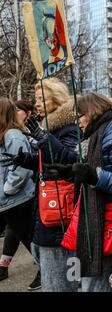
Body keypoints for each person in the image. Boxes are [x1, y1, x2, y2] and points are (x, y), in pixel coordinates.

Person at [1, 78, 80, 291]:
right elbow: (44, 163)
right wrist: (24, 160)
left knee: (59, 270)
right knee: (45, 259)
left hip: (61, 207)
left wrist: (43, 138)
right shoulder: (49, 129)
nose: (36, 103)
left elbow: (68, 160)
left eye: (40, 98)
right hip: (46, 204)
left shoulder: (69, 128)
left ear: (56, 98)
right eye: (35, 99)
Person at [46, 92, 112, 292]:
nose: (76, 121)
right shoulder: (91, 135)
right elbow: (85, 171)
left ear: (91, 111)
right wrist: (68, 172)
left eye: (79, 115)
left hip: (109, 218)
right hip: (92, 217)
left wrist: (94, 177)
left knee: (96, 285)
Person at [0, 99, 41, 290]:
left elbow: (21, 168)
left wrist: (6, 190)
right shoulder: (5, 135)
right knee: (26, 237)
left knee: (31, 239)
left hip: (18, 199)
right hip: (8, 201)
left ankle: (48, 270)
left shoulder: (13, 136)